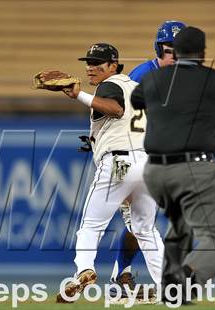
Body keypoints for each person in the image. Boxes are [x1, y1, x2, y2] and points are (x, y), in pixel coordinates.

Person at [130, 26, 215, 303]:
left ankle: (171, 283)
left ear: (174, 52)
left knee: (180, 226)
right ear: (203, 54)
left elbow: (136, 99)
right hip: (195, 167)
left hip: (155, 172)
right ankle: (184, 280)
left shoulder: (155, 78)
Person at [56, 43, 164, 303]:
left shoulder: (110, 85)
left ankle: (84, 269)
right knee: (145, 229)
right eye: (88, 62)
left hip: (119, 163)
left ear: (113, 66)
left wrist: (79, 95)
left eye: (98, 63)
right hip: (146, 163)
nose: (91, 68)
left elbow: (116, 109)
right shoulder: (137, 89)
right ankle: (170, 288)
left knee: (91, 225)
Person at [110, 20, 186, 295]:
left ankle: (122, 276)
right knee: (138, 221)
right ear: (158, 48)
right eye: (169, 50)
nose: (174, 56)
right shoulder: (141, 75)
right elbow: (118, 115)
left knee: (141, 223)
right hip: (131, 155)